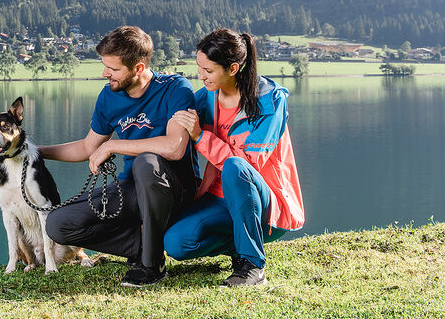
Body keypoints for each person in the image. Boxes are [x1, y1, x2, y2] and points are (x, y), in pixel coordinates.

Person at [40, 26, 199, 287]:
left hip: (173, 189)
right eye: (105, 66)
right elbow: (86, 147)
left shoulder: (175, 88)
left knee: (146, 162)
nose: (105, 73)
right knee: (58, 224)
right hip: (133, 189)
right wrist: (33, 151)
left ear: (138, 68)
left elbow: (174, 147)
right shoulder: (109, 96)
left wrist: (113, 145)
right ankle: (143, 246)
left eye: (113, 69)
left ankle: (151, 265)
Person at [164, 28, 304, 287]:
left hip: (264, 203)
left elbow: (249, 165)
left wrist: (200, 136)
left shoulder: (270, 101)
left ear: (233, 68)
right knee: (176, 243)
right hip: (218, 200)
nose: (201, 76)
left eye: (208, 70)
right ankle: (240, 245)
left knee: (236, 166)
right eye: (199, 68)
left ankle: (252, 265)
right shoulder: (206, 97)